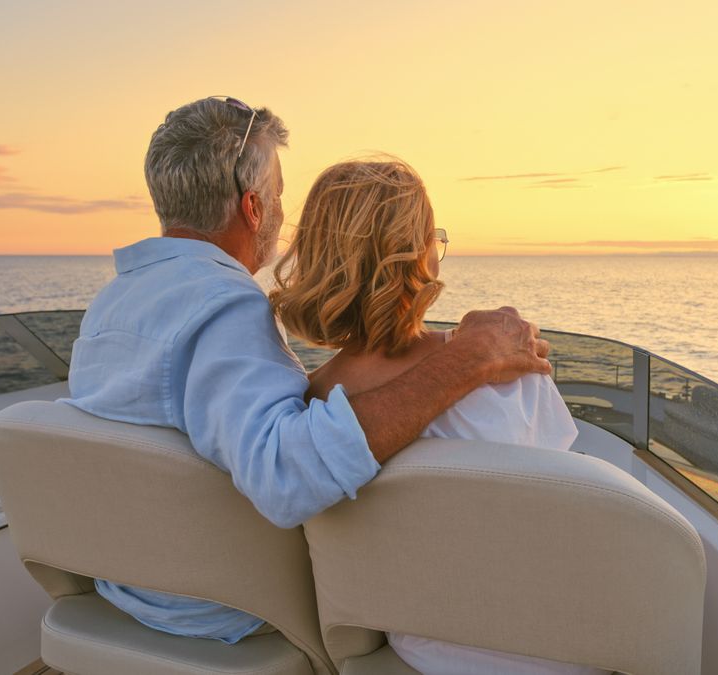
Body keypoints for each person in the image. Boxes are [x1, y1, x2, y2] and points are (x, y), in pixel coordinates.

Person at [61, 97, 551, 644]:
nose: (278, 209)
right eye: (277, 194)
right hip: (224, 609)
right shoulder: (223, 305)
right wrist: (467, 358)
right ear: (252, 208)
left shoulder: (113, 303)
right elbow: (286, 477)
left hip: (129, 585)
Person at [271, 158, 608, 675]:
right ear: (420, 255)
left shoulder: (313, 408)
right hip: (554, 650)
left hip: (424, 650)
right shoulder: (508, 371)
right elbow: (563, 517)